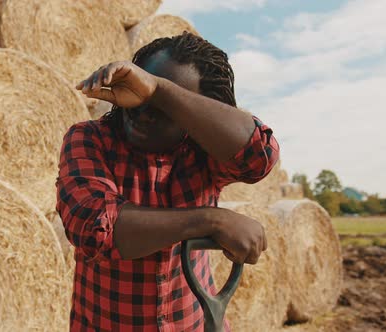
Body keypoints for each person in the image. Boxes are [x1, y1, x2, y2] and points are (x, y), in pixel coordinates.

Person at [55, 32, 280, 331]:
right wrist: (212, 221)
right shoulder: (89, 139)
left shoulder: (201, 151)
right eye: (140, 91)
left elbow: (259, 157)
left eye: (162, 106)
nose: (144, 113)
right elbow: (95, 227)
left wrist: (159, 90)